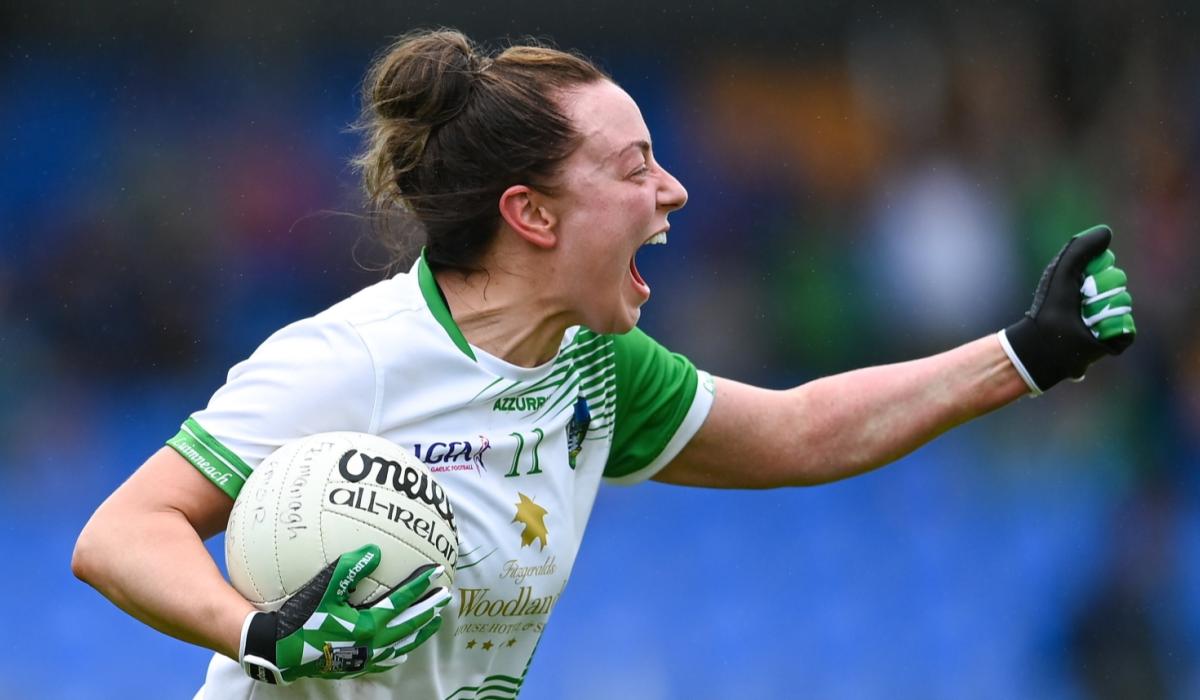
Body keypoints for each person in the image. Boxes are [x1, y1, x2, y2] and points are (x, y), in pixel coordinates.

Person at [71, 29, 1136, 699]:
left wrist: (1026, 355)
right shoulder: (349, 360)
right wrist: (260, 631)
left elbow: (802, 430)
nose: (673, 193)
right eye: (636, 168)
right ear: (530, 213)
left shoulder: (597, 369)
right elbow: (119, 534)